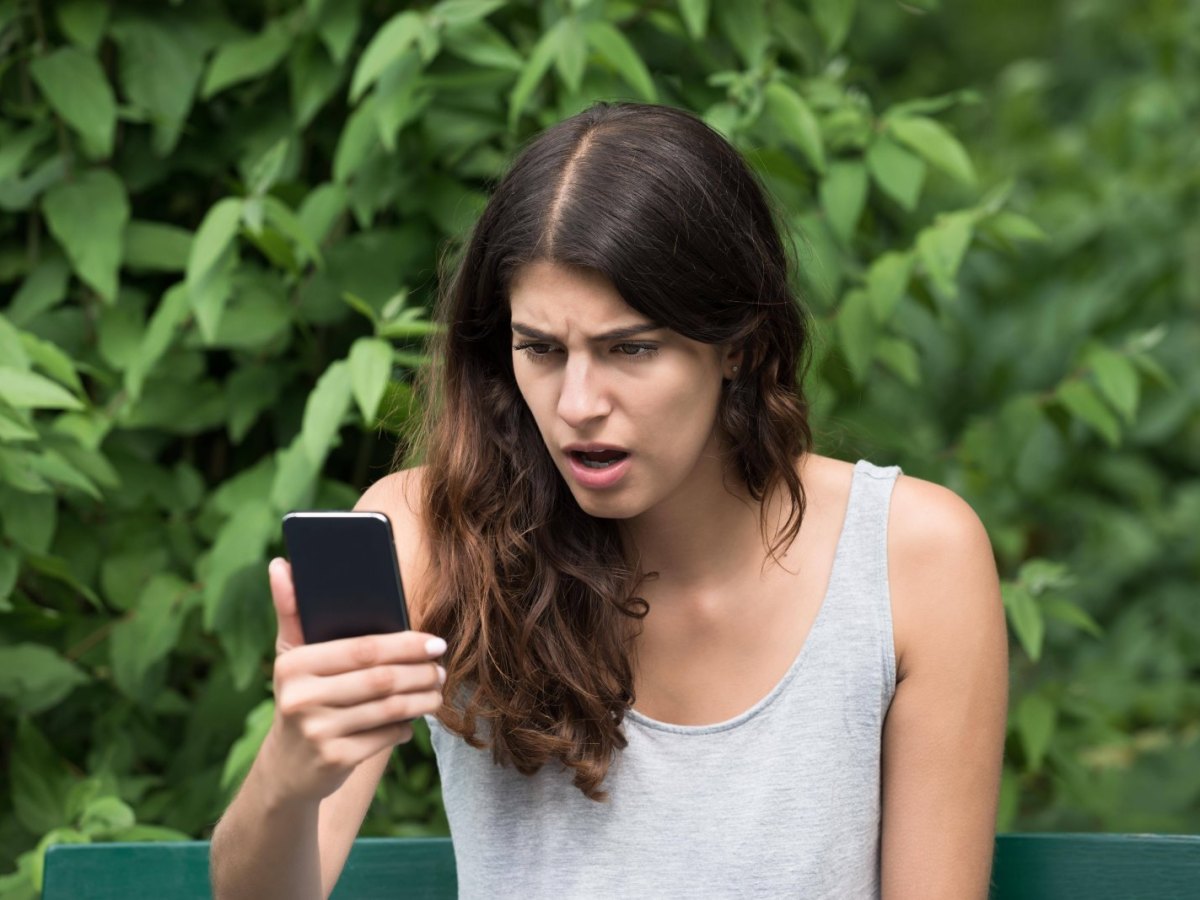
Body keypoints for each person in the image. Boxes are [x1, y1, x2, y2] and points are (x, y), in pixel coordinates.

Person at [210, 102, 1007, 899]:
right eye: (542, 350)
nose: (579, 403)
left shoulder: (911, 557)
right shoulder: (429, 535)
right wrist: (291, 767)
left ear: (741, 343)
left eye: (631, 347)